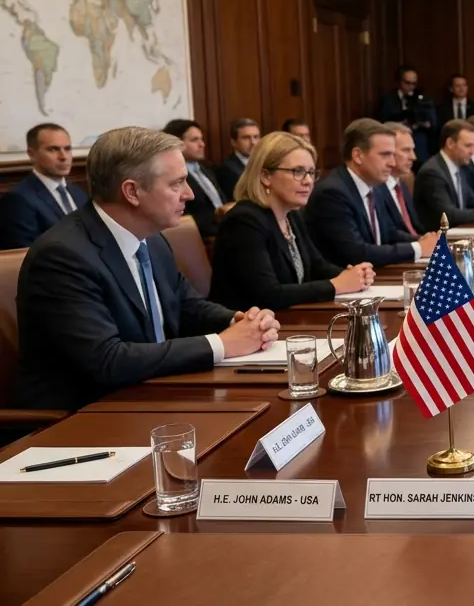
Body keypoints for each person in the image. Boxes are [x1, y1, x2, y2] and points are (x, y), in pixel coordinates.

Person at [12, 127, 280, 411]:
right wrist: (222, 345)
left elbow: (187, 306)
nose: (189, 194)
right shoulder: (63, 256)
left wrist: (238, 322)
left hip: (151, 395)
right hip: (83, 419)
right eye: (176, 184)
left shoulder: (151, 239)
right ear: (132, 191)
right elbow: (108, 360)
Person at [210, 132, 373, 311]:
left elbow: (317, 265)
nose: (309, 181)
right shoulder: (243, 222)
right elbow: (267, 294)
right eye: (298, 171)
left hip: (286, 321)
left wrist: (352, 275)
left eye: (311, 172)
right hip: (247, 330)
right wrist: (336, 285)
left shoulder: (291, 215)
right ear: (266, 176)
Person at [305, 118, 440, 268]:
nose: (392, 163)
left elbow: (387, 232)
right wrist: (418, 248)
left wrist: (422, 240)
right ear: (358, 156)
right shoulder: (332, 193)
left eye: (392, 155)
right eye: (385, 155)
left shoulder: (373, 185)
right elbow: (355, 253)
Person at [0, 123, 89, 248]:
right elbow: (24, 254)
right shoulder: (18, 200)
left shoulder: (78, 192)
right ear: (31, 154)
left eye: (67, 149)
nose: (63, 157)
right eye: (53, 149)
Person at [414, 119, 474, 230]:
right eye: (468, 146)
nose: (472, 152)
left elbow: (471, 201)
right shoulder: (433, 172)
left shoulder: (459, 166)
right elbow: (448, 215)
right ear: (450, 143)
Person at [164, 119, 231, 239]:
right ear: (177, 143)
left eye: (201, 139)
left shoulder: (207, 168)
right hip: (205, 237)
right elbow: (184, 218)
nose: (202, 144)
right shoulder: (172, 176)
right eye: (195, 140)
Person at [377, 65, 434, 161]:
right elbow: (382, 122)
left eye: (414, 83)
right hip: (395, 145)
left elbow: (433, 123)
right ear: (399, 82)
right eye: (407, 83)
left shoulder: (422, 99)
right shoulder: (388, 100)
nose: (411, 87)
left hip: (419, 146)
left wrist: (422, 124)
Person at [377, 122, 423, 239]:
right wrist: (422, 243)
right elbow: (388, 234)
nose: (413, 157)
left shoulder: (401, 183)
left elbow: (415, 228)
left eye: (412, 150)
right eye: (406, 150)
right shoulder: (375, 187)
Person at [215, 118, 260, 196]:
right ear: (234, 142)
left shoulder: (265, 161)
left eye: (256, 137)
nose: (253, 142)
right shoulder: (227, 168)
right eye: (246, 138)